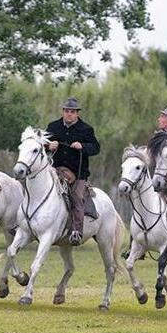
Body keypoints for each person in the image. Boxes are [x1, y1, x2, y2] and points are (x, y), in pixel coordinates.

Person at [46, 97, 100, 246]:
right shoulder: (53, 127)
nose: (69, 114)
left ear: (77, 113)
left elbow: (96, 148)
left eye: (72, 112)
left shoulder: (86, 129)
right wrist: (48, 145)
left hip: (78, 173)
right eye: (67, 111)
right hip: (54, 169)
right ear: (63, 112)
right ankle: (23, 221)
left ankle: (76, 231)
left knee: (76, 196)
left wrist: (82, 146)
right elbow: (42, 144)